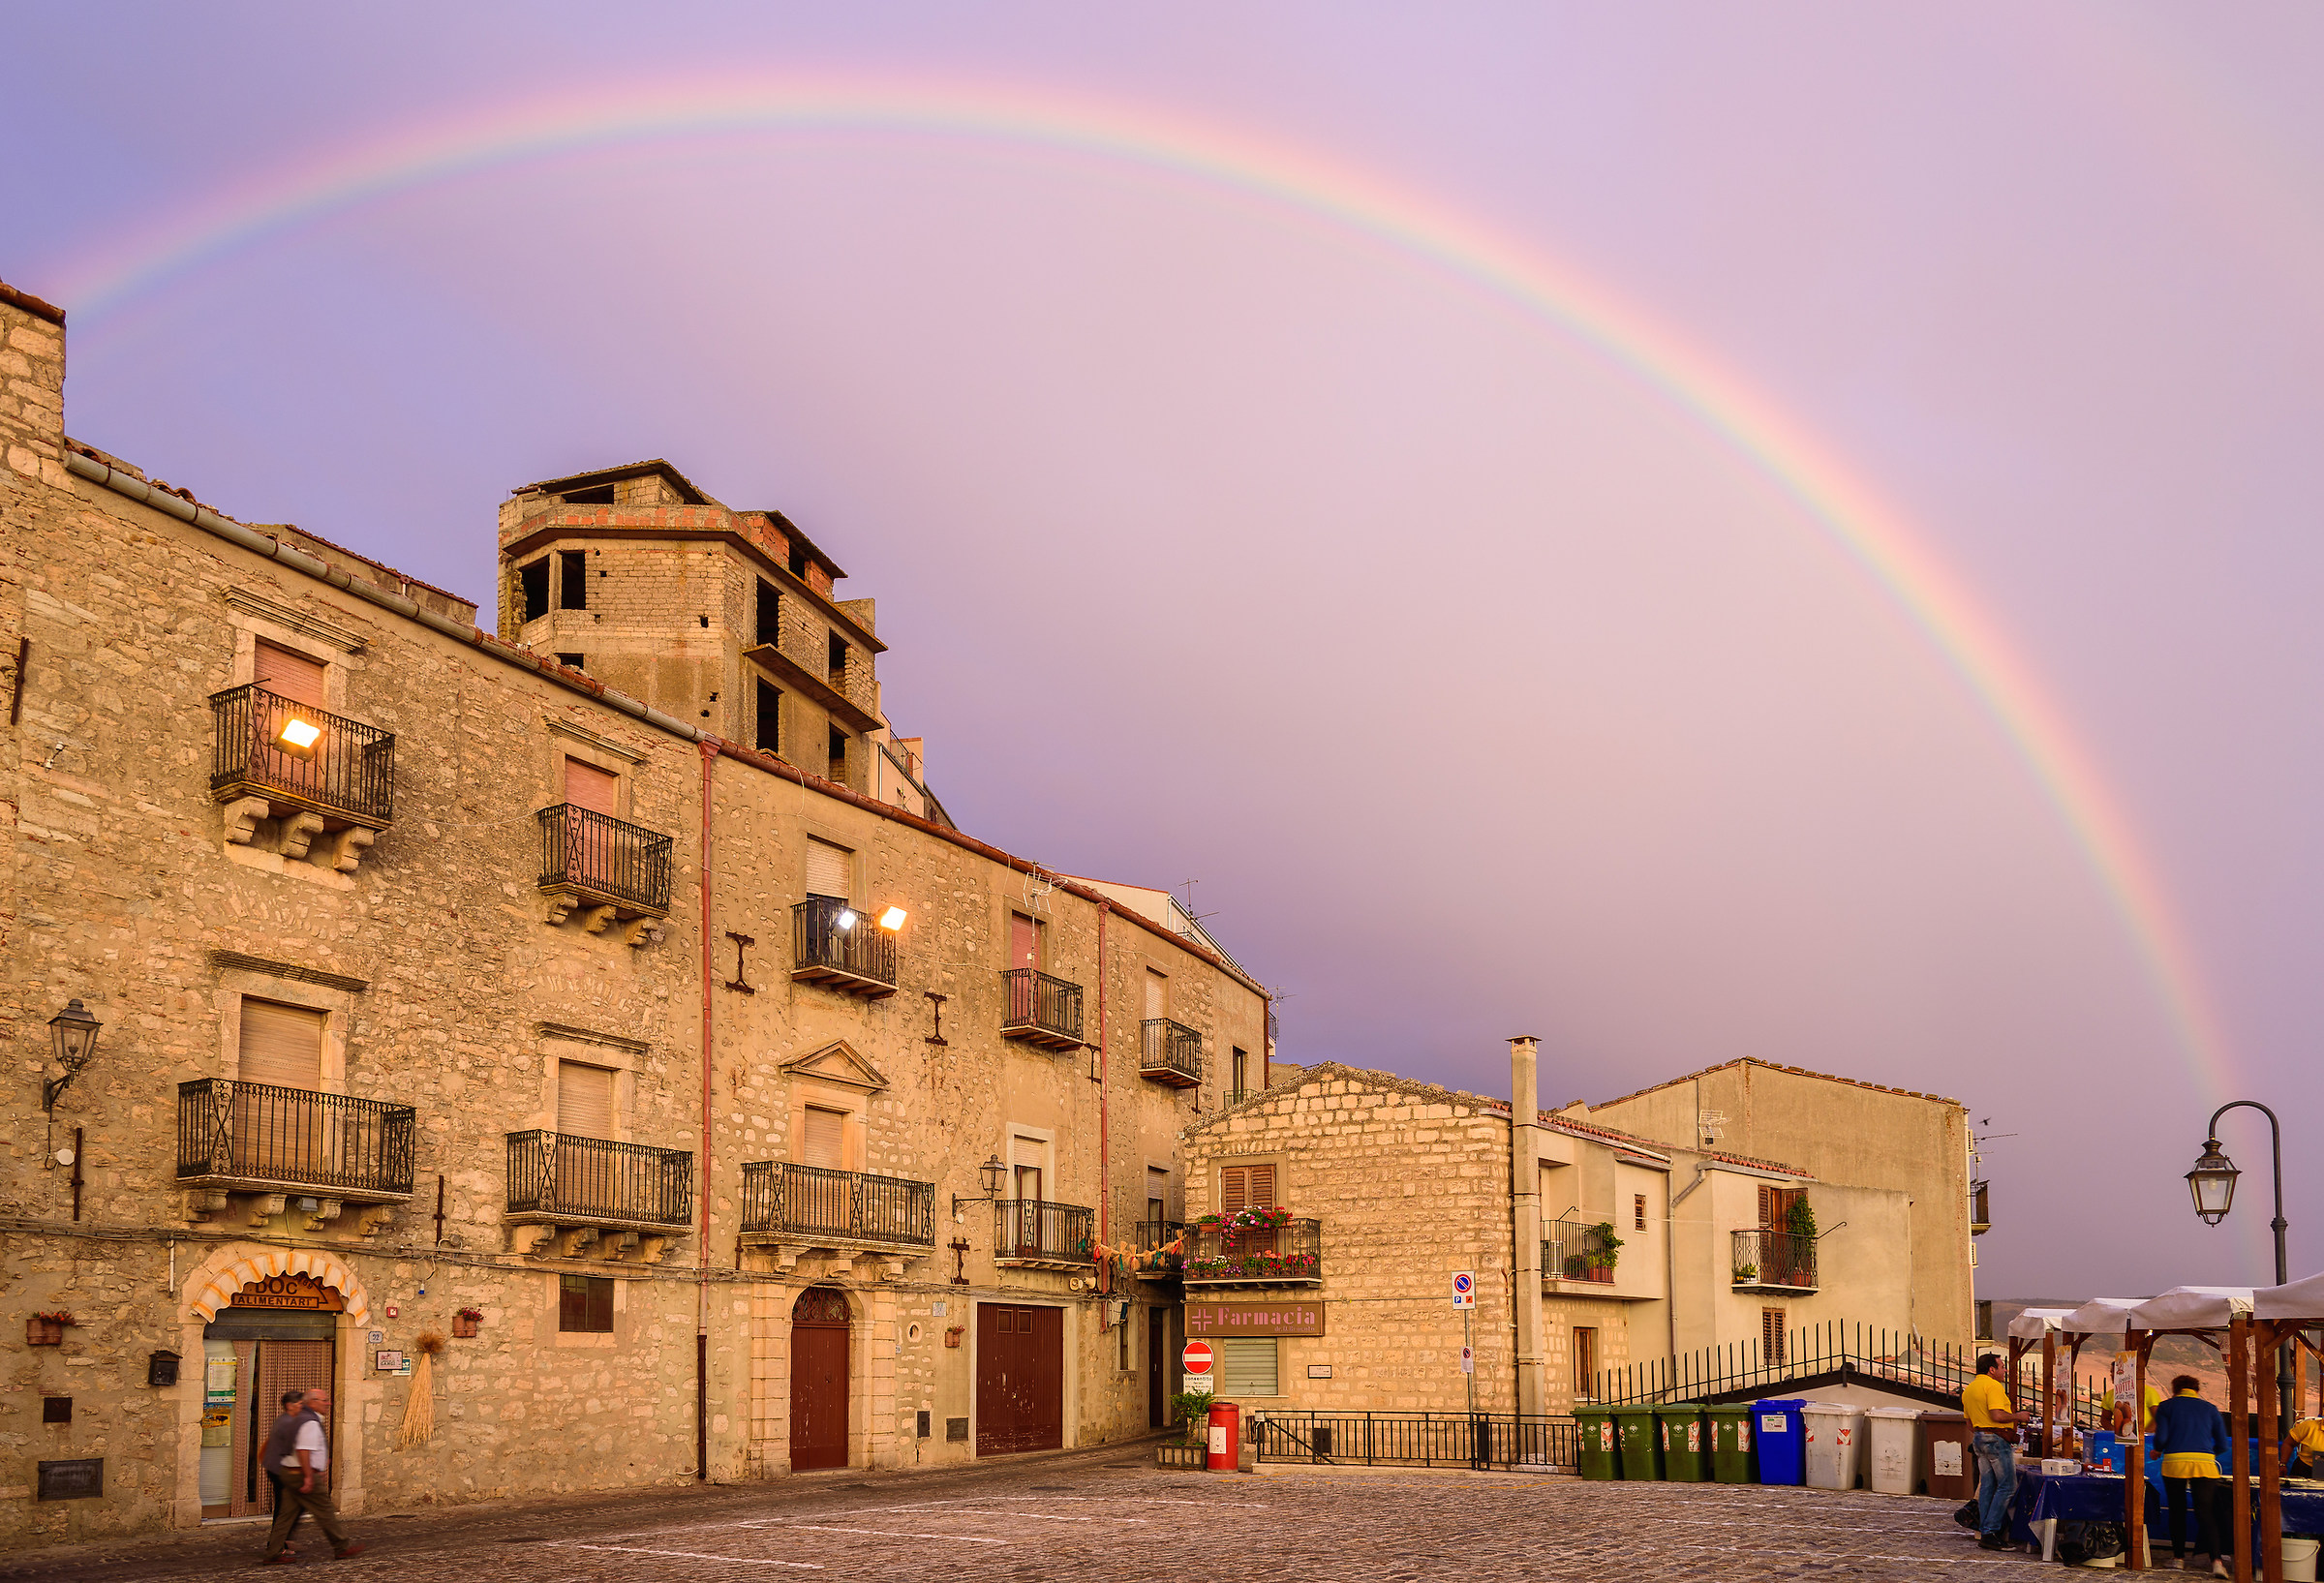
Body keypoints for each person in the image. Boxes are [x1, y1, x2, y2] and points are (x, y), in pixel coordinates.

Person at [260, 1388, 365, 1565]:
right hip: (301, 1473)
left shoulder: (300, 1418)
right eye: (323, 1400)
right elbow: (303, 1449)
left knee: (286, 1515)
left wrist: (321, 1459)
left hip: (291, 1472)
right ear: (313, 1402)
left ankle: (273, 1552)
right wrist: (309, 1475)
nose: (328, 1403)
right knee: (324, 1511)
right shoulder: (309, 1421)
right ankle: (342, 1547)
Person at [2152, 1375, 2232, 1576]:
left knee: (2177, 1511)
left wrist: (2158, 1450)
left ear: (2175, 1389)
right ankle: (2216, 1562)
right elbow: (2223, 1444)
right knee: (2206, 1513)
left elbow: (2161, 1437)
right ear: (2196, 1389)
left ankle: (2178, 1559)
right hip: (2204, 1465)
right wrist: (2204, 1452)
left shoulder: (2166, 1407)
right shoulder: (2211, 1409)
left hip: (2175, 1464)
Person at [1961, 1352, 2032, 1552]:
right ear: (1992, 1370)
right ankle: (1991, 1532)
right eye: (2002, 1366)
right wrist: (2019, 1415)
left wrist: (1983, 1432)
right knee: (2008, 1486)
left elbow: (1969, 1422)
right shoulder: (1992, 1386)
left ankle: (1985, 1530)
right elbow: (1997, 1414)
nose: (2005, 1370)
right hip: (1995, 1439)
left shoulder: (1970, 1388)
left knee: (1987, 1486)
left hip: (1979, 1438)